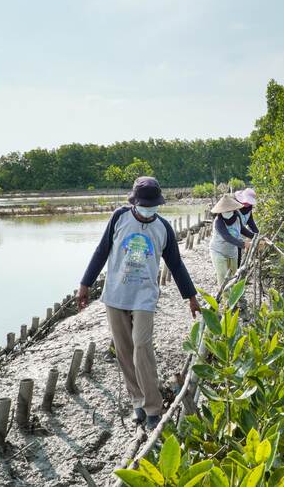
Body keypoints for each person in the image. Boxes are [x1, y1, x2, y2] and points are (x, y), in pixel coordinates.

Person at [77, 176, 199, 430]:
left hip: (144, 297)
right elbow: (101, 251)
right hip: (116, 295)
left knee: (142, 347)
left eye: (152, 206)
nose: (147, 211)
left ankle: (153, 407)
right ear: (134, 203)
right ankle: (137, 402)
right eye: (144, 206)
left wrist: (191, 296)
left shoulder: (163, 228)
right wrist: (85, 283)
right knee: (124, 351)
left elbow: (175, 264)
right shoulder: (119, 218)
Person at [208, 194, 250, 288]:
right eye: (225, 211)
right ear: (221, 211)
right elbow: (226, 237)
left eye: (229, 210)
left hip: (232, 251)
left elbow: (242, 229)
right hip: (218, 251)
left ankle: (234, 296)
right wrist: (244, 244)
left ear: (233, 209)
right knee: (223, 276)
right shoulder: (218, 221)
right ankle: (225, 299)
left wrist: (255, 235)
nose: (227, 212)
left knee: (234, 275)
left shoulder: (237, 216)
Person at [234, 188, 259, 266]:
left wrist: (258, 234)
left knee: (238, 257)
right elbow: (241, 228)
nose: (246, 202)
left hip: (238, 236)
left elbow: (251, 224)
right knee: (233, 257)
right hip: (231, 235)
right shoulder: (235, 208)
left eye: (248, 201)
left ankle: (236, 272)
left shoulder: (249, 210)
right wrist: (253, 236)